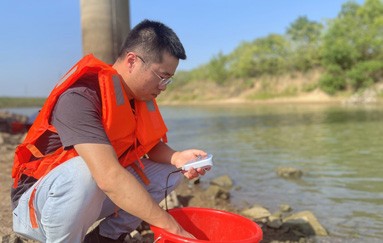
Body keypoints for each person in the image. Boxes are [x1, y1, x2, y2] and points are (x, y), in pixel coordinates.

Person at [11, 19, 209, 243]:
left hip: (88, 196)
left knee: (169, 171)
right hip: (39, 207)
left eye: (169, 80)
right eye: (161, 77)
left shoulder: (137, 98)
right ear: (132, 61)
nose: (163, 87)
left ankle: (105, 238)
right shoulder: (80, 96)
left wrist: (178, 157)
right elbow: (108, 176)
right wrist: (173, 228)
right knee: (85, 172)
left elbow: (151, 146)